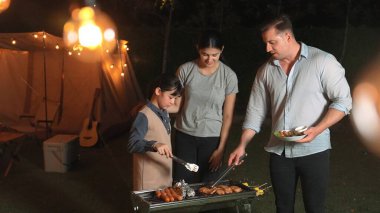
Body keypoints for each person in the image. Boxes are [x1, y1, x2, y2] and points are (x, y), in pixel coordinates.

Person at [228, 14, 352, 213]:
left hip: (315, 151)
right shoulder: (265, 71)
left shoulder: (323, 61)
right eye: (265, 43)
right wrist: (242, 145)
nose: (267, 48)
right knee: (283, 207)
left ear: (287, 37)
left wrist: (317, 130)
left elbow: (344, 101)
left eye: (272, 42)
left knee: (315, 208)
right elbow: (255, 111)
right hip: (279, 152)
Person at [173, 29, 239, 184]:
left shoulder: (229, 76)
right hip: (184, 134)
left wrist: (221, 148)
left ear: (222, 50)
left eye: (214, 55)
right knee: (181, 183)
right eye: (205, 54)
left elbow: (228, 115)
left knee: (209, 185)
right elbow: (175, 104)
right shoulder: (185, 70)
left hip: (211, 137)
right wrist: (153, 107)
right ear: (198, 48)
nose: (210, 59)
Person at [128, 73, 183, 191]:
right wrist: (154, 144)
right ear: (158, 91)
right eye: (171, 97)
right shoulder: (144, 115)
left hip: (163, 176)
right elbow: (132, 144)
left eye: (175, 98)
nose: (173, 102)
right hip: (148, 181)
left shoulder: (164, 111)